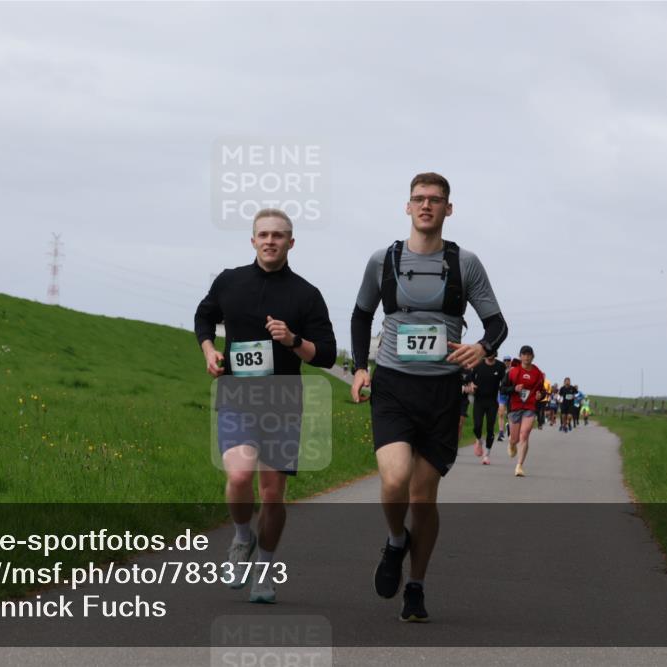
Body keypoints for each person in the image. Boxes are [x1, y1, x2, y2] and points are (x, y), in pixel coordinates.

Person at [349, 172, 508, 622]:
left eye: (435, 200)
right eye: (418, 199)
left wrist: (483, 348)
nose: (426, 206)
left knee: (424, 497)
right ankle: (395, 540)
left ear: (448, 210)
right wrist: (361, 366)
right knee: (395, 479)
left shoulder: (465, 264)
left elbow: (497, 324)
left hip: (442, 392)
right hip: (393, 386)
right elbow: (361, 315)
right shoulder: (383, 260)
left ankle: (415, 586)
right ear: (407, 207)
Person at [194, 208, 336, 603]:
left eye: (278, 235)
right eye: (263, 235)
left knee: (273, 494)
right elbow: (204, 317)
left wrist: (292, 340)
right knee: (239, 476)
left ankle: (265, 572)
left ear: (291, 243)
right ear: (253, 240)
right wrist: (209, 351)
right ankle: (242, 538)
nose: (270, 241)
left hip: (282, 401)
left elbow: (324, 354)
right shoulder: (230, 281)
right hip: (238, 395)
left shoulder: (306, 295)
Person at [504, 345, 545, 477]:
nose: (527, 357)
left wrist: (541, 395)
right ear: (520, 356)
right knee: (515, 439)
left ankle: (519, 466)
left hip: (530, 406)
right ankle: (511, 444)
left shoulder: (538, 373)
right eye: (524, 354)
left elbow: (543, 391)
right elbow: (502, 389)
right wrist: (514, 389)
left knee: (525, 434)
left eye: (529, 355)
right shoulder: (513, 372)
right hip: (515, 406)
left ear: (533, 357)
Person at [469, 353, 507, 465]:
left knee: (490, 428)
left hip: (492, 402)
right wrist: (472, 384)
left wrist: (505, 394)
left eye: (493, 352)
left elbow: (503, 383)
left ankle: (486, 455)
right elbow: (471, 378)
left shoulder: (500, 366)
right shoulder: (478, 364)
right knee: (477, 426)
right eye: (488, 352)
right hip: (479, 401)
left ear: (495, 353)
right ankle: (479, 440)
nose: (490, 355)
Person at [496, 355, 512, 442]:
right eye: (505, 360)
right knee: (501, 413)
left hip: (510, 394)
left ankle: (509, 427)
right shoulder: (500, 370)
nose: (507, 362)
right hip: (501, 393)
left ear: (510, 361)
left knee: (510, 414)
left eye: (508, 360)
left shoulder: (513, 370)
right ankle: (501, 432)